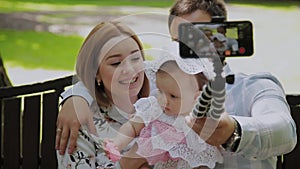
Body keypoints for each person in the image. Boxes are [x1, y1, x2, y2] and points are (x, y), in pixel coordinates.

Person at [57, 0, 297, 168]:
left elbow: (284, 130)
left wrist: (233, 131)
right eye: (177, 41)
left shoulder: (253, 86)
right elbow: (119, 76)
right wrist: (76, 95)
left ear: (221, 35)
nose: (186, 51)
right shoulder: (165, 87)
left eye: (197, 36)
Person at [104, 45, 223, 169]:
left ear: (196, 97)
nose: (163, 100)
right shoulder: (155, 109)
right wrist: (116, 143)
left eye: (173, 96)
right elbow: (132, 127)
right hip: (149, 163)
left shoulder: (201, 120)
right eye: (160, 91)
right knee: (134, 158)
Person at [56, 21, 152, 169]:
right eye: (116, 63)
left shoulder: (165, 100)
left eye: (135, 58)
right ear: (96, 73)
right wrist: (127, 164)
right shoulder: (81, 121)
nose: (130, 69)